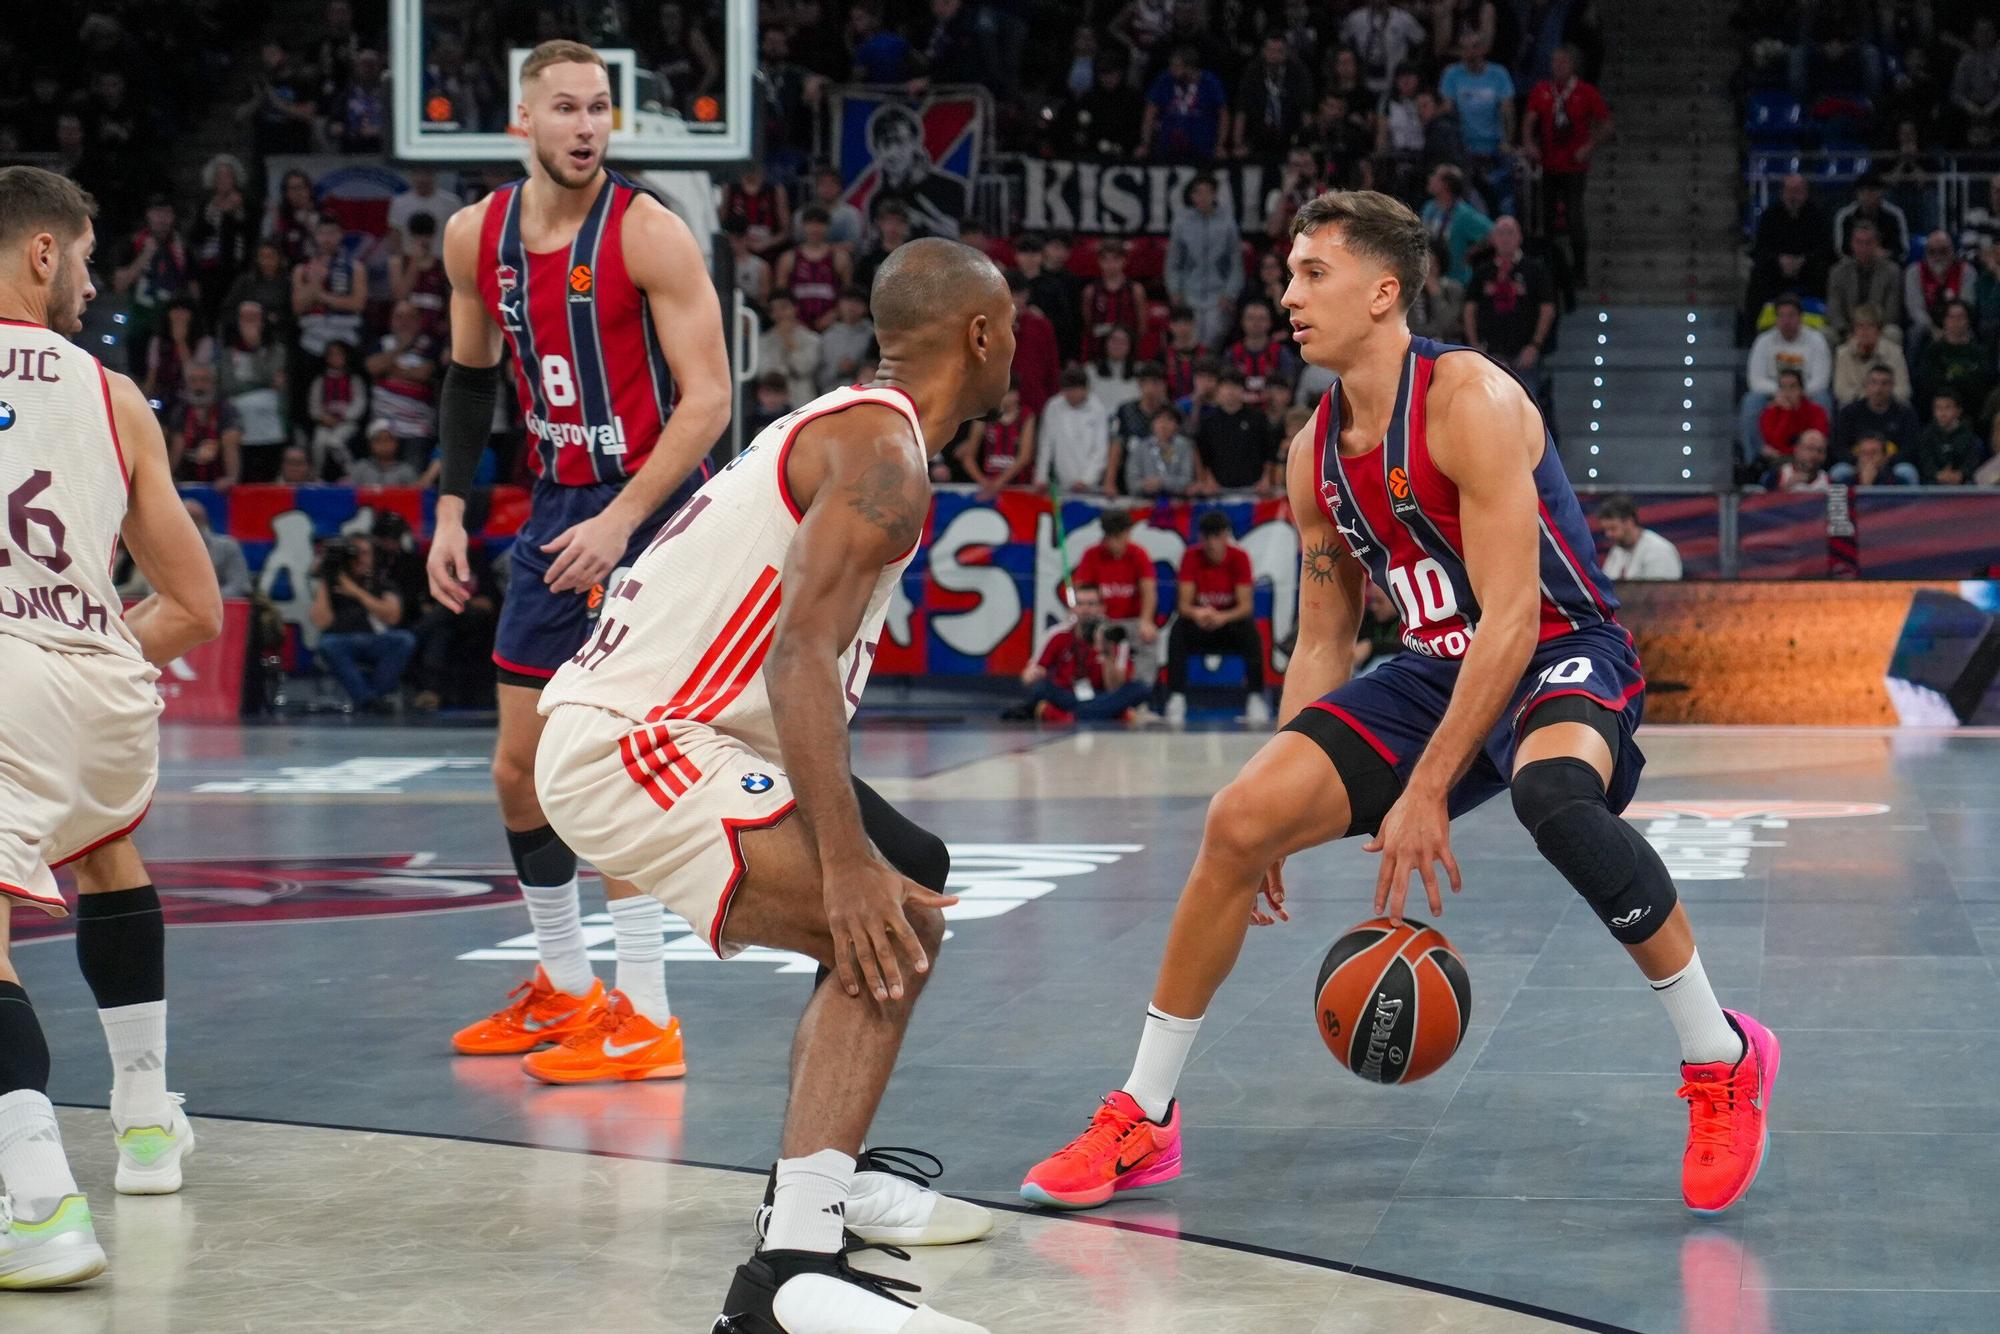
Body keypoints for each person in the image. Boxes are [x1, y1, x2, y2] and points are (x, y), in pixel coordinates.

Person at [1020, 189, 1775, 1220]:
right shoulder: (1311, 454)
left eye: (1310, 274)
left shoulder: (1470, 399)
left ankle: (1719, 1053)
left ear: (1383, 292)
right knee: (1235, 820)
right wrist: (1278, 796)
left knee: (1553, 797)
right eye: (1287, 274)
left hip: (1555, 647)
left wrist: (1423, 789)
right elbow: (1325, 635)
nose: (1285, 295)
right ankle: (1143, 1114)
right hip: (1429, 668)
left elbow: (1509, 622)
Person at [534, 238, 1010, 1333]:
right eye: (1013, 324)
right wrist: (842, 869)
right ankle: (789, 1272)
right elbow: (794, 655)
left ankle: (812, 1197)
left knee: (913, 870)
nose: (1018, 342)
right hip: (639, 739)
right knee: (888, 921)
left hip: (665, 726)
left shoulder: (859, 426)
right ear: (979, 335)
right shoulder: (883, 458)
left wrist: (862, 858)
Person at [424, 42, 731, 1079]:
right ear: (523, 122)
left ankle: (646, 1014)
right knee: (518, 769)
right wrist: (452, 509)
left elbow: (710, 401)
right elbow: (471, 380)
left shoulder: (647, 232)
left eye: (599, 108)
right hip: (557, 504)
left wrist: (625, 518)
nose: (587, 126)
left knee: (602, 762)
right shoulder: (477, 237)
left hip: (646, 508)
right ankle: (564, 982)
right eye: (565, 108)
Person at [0, 164, 222, 1290]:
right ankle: (143, 1119)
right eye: (85, 257)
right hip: (105, 682)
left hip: (4, 682)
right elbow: (195, 606)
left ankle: (33, 1197)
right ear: (42, 252)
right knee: (104, 845)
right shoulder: (113, 393)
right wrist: (78, 645)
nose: (91, 281)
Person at [1522, 44, 1611, 302]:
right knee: (1546, 219)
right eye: (1555, 62)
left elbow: (1606, 124)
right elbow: (1529, 120)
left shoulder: (1585, 92)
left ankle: (1579, 269)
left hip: (1574, 165)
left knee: (1574, 216)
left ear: (1573, 65)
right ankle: (1549, 268)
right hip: (1549, 164)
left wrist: (1589, 147)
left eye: (1562, 62)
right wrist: (1529, 143)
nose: (1557, 67)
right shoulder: (1542, 91)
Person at [1162, 509, 1267, 723]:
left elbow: (1245, 606)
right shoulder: (1191, 556)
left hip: (1228, 626)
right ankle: (1176, 697)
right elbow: (1183, 605)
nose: (1212, 544)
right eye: (1207, 537)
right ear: (1201, 538)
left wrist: (1223, 617)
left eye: (1217, 537)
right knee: (1178, 630)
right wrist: (1198, 613)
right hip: (1199, 624)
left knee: (1250, 630)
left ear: (1226, 536)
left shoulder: (1240, 557)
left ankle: (1255, 697)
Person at [1012, 585, 1155, 724]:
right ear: (1073, 608)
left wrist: (1107, 653)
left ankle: (1064, 716)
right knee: (1041, 688)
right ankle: (1110, 714)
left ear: (1101, 608)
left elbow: (1114, 687)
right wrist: (1033, 674)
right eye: (1080, 604)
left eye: (1091, 604)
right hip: (1067, 695)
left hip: (1100, 695)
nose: (1085, 610)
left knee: (1140, 689)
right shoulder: (1059, 634)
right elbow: (1029, 676)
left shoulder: (1115, 637)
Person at [308, 535, 415, 709]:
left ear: (373, 557)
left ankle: (369, 698)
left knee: (405, 640)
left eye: (365, 553)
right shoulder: (331, 585)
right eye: (354, 554)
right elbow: (322, 622)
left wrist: (356, 592)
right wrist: (326, 577)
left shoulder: (383, 584)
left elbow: (393, 616)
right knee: (327, 644)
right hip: (341, 641)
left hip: (376, 640)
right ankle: (369, 700)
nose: (360, 559)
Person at [1463, 216, 1556, 409]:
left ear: (1519, 237)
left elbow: (1547, 308)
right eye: (1500, 233)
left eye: (1510, 233)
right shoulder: (1483, 272)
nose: (1505, 238)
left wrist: (1535, 345)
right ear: (1493, 238)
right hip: (1491, 351)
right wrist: (1474, 345)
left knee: (1527, 408)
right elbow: (1470, 308)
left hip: (1524, 352)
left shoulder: (1535, 270)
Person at [1738, 294, 1832, 466]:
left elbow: (1821, 380)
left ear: (1800, 317)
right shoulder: (1763, 341)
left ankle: (1819, 458)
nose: (1786, 321)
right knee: (1751, 402)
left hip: (1807, 394)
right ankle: (1756, 459)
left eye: (1791, 315)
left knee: (1823, 399)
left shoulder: (1816, 340)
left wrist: (1796, 393)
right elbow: (1755, 381)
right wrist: (1783, 393)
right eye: (1781, 316)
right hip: (1774, 393)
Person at [1075, 510, 1161, 690]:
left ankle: (1140, 691)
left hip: (1132, 621)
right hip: (1102, 620)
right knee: (1085, 634)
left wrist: (1146, 621)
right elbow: (1081, 591)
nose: (1113, 543)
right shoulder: (1092, 555)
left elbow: (1149, 592)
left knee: (1149, 638)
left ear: (1128, 534)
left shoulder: (1139, 555)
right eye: (1109, 537)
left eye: (1118, 537)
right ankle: (1089, 686)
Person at [862, 102, 969, 239]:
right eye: (885, 143)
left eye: (900, 141)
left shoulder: (951, 189)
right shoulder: (877, 200)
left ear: (915, 144)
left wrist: (931, 225)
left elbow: (968, 241)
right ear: (875, 148)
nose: (892, 152)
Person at [1745, 174, 1835, 331]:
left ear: (1806, 192)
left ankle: (1826, 324)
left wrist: (1803, 261)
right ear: (1782, 193)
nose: (1794, 196)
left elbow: (1826, 248)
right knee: (1757, 275)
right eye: (1790, 191)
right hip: (1777, 269)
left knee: (1827, 272)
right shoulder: (1770, 216)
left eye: (1798, 191)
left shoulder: (1818, 216)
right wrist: (1779, 260)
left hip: (1808, 269)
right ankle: (1752, 329)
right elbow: (1761, 248)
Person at [1166, 175, 1245, 350]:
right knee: (1189, 339)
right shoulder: (1181, 222)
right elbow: (1174, 263)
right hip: (1189, 293)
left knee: (1213, 337)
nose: (1202, 197)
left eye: (1207, 192)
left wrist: (1230, 294)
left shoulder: (1227, 222)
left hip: (1218, 296)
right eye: (1197, 192)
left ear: (1215, 194)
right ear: (1192, 196)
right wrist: (1174, 290)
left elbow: (1235, 263)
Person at [218, 300, 288, 478]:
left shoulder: (276, 351)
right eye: (244, 318)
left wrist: (254, 347)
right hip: (239, 420)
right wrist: (263, 385)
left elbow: (271, 378)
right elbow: (229, 386)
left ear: (263, 321)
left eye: (254, 318)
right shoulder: (227, 353)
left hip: (270, 421)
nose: (249, 323)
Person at [1194, 368, 1280, 493]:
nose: (1230, 391)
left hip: (1254, 487)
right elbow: (1202, 454)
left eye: (1235, 387)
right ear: (1218, 390)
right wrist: (1207, 479)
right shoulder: (1208, 421)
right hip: (1218, 488)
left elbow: (1269, 451)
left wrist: (1266, 478)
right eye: (1226, 387)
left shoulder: (1258, 418)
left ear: (1242, 390)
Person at [1142, 46, 1229, 163]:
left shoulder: (1210, 82)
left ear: (1190, 68)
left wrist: (1220, 145)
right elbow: (1150, 112)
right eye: (1171, 65)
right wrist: (1145, 144)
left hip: (1202, 150)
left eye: (1177, 66)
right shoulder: (1165, 80)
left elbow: (1223, 115)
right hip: (1168, 150)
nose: (1172, 70)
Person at [1037, 365, 1115, 494]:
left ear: (1085, 389)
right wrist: (1041, 477)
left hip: (1090, 485)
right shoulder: (1053, 406)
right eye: (1066, 390)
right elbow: (1045, 444)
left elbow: (1100, 450)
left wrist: (1086, 480)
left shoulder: (1098, 409)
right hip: (1060, 484)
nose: (1069, 395)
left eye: (1073, 390)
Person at [1825, 221, 1904, 347]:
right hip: (1847, 331)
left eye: (1868, 243)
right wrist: (1847, 332)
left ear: (1877, 244)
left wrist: (1870, 332)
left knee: (1893, 333)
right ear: (1852, 244)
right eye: (1859, 242)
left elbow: (1892, 312)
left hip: (1878, 330)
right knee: (1826, 334)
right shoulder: (1838, 271)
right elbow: (1834, 310)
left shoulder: (1892, 271)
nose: (1863, 248)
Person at [1832, 366, 1921, 477]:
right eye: (1873, 383)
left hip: (1892, 465)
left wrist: (1886, 461)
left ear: (1892, 386)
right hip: (1856, 465)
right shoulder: (1849, 413)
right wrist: (1859, 461)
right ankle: (1838, 496)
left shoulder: (1905, 414)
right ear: (1865, 385)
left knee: (1907, 472)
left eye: (1884, 383)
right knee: (1839, 472)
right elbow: (1839, 446)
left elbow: (1911, 447)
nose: (1878, 389)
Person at [168, 363, 243, 492]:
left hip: (219, 475)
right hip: (186, 476)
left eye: (204, 380)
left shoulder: (226, 408)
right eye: (194, 381)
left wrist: (231, 478)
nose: (199, 386)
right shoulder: (180, 411)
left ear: (213, 383)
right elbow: (177, 444)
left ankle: (231, 477)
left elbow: (232, 438)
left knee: (230, 437)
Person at [776, 207, 850, 332]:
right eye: (811, 224)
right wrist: (793, 319)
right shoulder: (788, 258)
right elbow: (780, 297)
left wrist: (834, 314)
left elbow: (847, 295)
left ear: (827, 227)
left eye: (820, 224)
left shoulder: (839, 258)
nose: (815, 229)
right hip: (796, 324)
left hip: (831, 324)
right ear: (803, 226)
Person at [1420, 165, 1493, 286]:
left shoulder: (1464, 214)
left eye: (1435, 176)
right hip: (1430, 278)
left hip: (1456, 280)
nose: (1430, 179)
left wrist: (1472, 252)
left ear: (1446, 185)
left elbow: (1493, 232)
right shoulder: (1428, 208)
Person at [958, 385, 1035, 497]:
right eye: (1004, 393)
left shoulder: (1026, 416)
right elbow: (968, 457)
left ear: (1017, 395)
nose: (1008, 398)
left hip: (1018, 486)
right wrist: (984, 482)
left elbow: (1025, 457)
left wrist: (999, 482)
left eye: (1011, 393)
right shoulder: (985, 417)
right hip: (989, 484)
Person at [1081, 238, 1148, 361]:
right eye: (1105, 260)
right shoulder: (1091, 291)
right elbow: (1089, 325)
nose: (1110, 265)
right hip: (1099, 354)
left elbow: (1142, 326)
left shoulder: (1135, 290)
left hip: (1128, 353)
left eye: (1115, 259)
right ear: (1099, 261)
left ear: (1124, 261)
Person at [1905, 230, 1976, 346]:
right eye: (1932, 251)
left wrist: (1951, 327)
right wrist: (1934, 329)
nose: (1937, 256)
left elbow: (1967, 305)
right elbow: (1915, 309)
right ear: (1925, 252)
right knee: (1916, 332)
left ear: (1952, 250)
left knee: (1970, 334)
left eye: (1943, 251)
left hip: (1957, 322)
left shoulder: (1966, 271)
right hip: (1927, 325)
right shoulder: (1914, 272)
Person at [1831, 306, 1911, 406]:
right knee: (1844, 405)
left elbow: (1904, 390)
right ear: (1854, 331)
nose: (1864, 332)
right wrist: (1869, 396)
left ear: (1879, 331)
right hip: (1856, 405)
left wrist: (1880, 396)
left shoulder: (1894, 352)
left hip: (1887, 405)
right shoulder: (1843, 353)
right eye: (1860, 326)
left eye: (1870, 326)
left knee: (1905, 405)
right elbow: (1840, 390)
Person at [1595, 494, 1683, 581]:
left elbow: (1661, 592)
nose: (1608, 534)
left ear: (1629, 522)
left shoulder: (1659, 550)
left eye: (1612, 528)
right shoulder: (1616, 551)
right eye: (1606, 530)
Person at [759, 293, 824, 411]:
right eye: (774, 310)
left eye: (783, 307)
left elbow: (804, 368)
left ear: (795, 308)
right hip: (773, 402)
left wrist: (790, 344)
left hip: (801, 400)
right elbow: (764, 372)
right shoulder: (764, 340)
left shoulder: (812, 339)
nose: (779, 313)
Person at [1757, 368, 1832, 464]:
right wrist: (1786, 412)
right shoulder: (1769, 413)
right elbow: (1775, 443)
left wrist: (1786, 452)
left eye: (1792, 387)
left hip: (1810, 461)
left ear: (1801, 390)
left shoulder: (1816, 412)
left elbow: (1816, 443)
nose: (1787, 392)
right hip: (1778, 462)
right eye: (1783, 387)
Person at [1831, 171, 1910, 262]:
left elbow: (1903, 250)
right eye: (1862, 191)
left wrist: (1886, 254)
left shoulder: (1895, 214)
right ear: (1857, 194)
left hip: (1886, 263)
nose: (1867, 195)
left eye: (1871, 191)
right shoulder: (1844, 215)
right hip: (1854, 263)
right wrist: (1863, 253)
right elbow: (1840, 250)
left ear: (1881, 192)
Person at [1126, 403, 1200, 495]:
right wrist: (1144, 485)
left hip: (1177, 501)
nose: (1163, 425)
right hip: (1145, 501)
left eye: (1169, 420)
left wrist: (1161, 482)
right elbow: (1132, 483)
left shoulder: (1184, 447)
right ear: (1152, 424)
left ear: (1177, 426)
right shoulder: (1140, 448)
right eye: (1159, 419)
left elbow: (1187, 479)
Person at [1914, 393, 1982, 485]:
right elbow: (1924, 461)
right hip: (1933, 480)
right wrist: (1937, 474)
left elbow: (1972, 462)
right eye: (1938, 408)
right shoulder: (1926, 436)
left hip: (1962, 482)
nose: (1942, 412)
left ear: (1958, 411)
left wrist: (1960, 474)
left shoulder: (1969, 437)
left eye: (1947, 407)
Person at [816, 287, 875, 393]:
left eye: (857, 302)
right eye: (848, 301)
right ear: (839, 305)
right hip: (831, 394)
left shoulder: (873, 334)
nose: (852, 306)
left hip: (865, 393)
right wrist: (838, 370)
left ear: (866, 307)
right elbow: (818, 377)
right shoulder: (828, 336)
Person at [348, 420, 422, 487]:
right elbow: (350, 494)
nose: (383, 445)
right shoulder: (361, 468)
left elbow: (414, 496)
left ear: (396, 443)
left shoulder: (406, 470)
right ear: (370, 444)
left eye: (388, 440)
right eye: (378, 440)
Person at [1764, 429, 1831, 491]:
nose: (1814, 455)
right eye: (1810, 449)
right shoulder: (1777, 476)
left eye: (1820, 451)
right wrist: (1785, 489)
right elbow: (1765, 501)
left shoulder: (1829, 481)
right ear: (1797, 449)